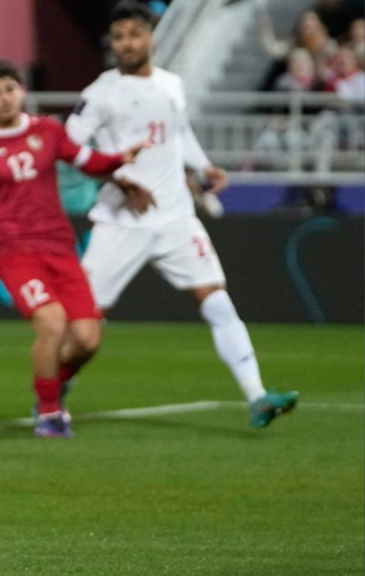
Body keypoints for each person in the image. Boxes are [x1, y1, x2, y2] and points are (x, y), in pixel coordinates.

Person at [65, 2, 299, 428]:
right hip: (121, 220)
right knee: (86, 327)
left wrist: (203, 166)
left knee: (217, 300)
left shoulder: (171, 84)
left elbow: (179, 132)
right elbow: (71, 146)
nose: (126, 44)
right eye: (119, 37)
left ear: (151, 37)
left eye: (134, 34)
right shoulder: (101, 92)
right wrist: (119, 181)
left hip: (175, 216)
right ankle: (55, 390)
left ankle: (257, 396)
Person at [0, 59, 146, 439]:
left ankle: (53, 384)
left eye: (9, 89)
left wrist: (120, 159)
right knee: (52, 323)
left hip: (60, 248)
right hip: (15, 254)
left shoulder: (48, 131)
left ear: (22, 91)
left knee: (88, 339)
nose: (4, 98)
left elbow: (87, 161)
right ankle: (49, 414)